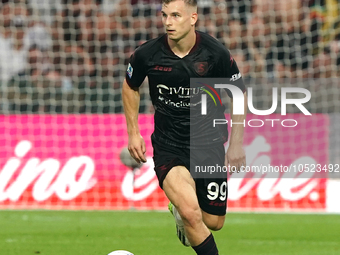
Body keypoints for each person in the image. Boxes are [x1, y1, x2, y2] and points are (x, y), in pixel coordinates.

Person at [122, 0, 247, 254]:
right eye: (165, 15)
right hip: (169, 145)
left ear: (193, 18)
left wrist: (235, 144)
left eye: (175, 15)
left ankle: (178, 211)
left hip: (209, 143)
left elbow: (238, 94)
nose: (168, 22)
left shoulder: (215, 53)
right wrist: (133, 132)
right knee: (192, 213)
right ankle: (183, 211)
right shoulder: (147, 54)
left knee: (213, 222)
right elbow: (130, 86)